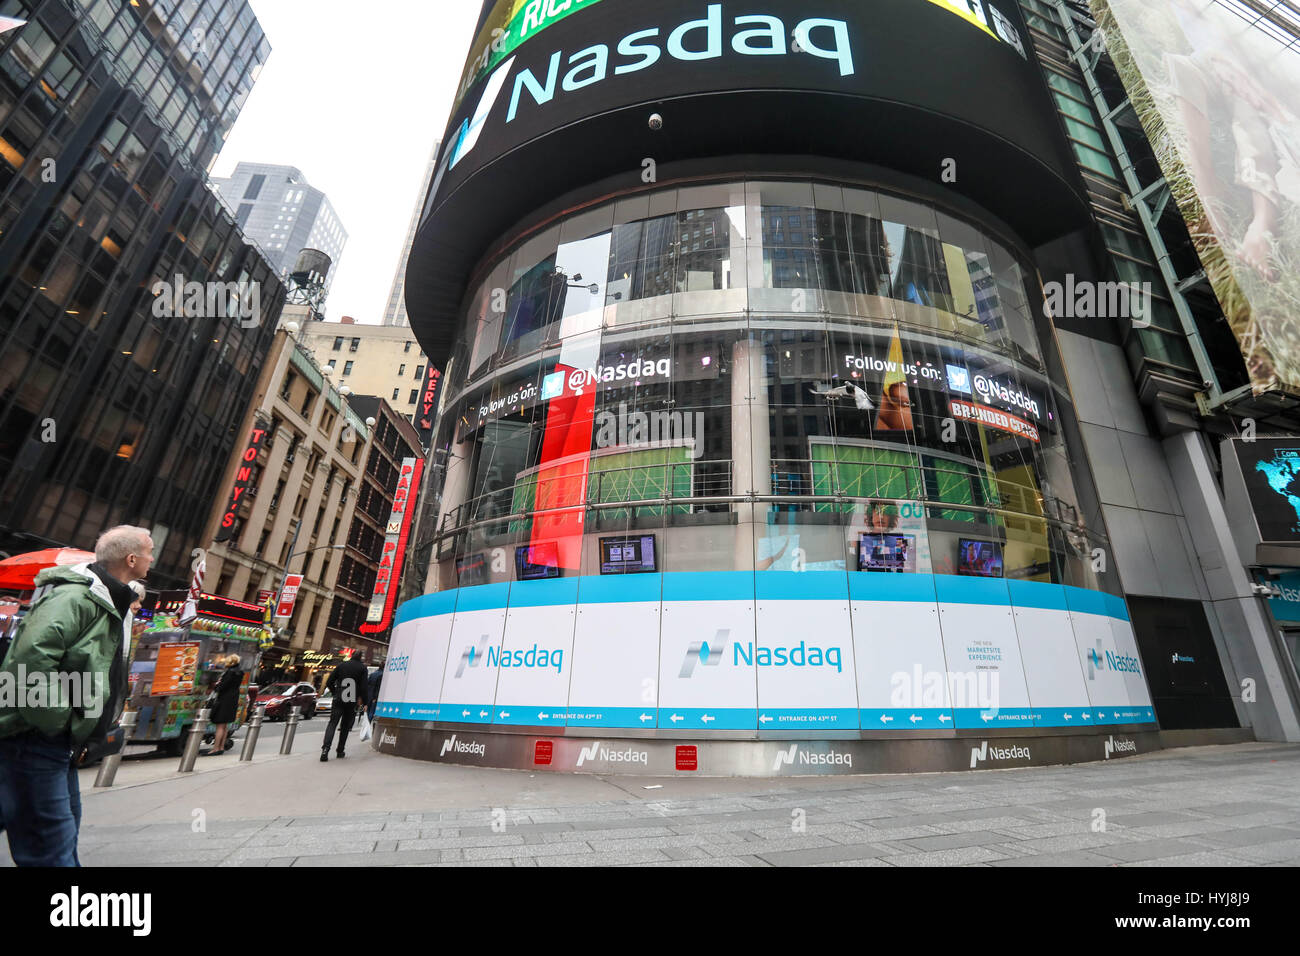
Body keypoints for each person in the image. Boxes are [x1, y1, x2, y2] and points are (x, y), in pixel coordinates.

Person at [0, 525, 153, 866]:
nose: (152, 559)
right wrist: (61, 721)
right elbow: (29, 664)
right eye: (149, 552)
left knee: (59, 839)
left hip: (57, 745)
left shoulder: (111, 601)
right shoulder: (77, 598)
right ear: (131, 559)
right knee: (51, 851)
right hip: (37, 740)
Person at [320, 651, 368, 762]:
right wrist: (364, 702)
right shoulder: (362, 668)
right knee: (345, 726)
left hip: (339, 696)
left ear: (351, 656)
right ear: (361, 657)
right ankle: (340, 750)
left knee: (332, 723)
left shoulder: (341, 665)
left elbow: (329, 681)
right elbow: (364, 687)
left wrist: (335, 692)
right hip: (351, 697)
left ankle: (325, 750)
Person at [207, 654, 242, 756]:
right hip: (232, 700)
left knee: (220, 726)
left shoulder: (230, 673)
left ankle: (216, 748)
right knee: (225, 726)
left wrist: (216, 685)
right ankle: (221, 747)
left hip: (224, 700)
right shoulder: (239, 672)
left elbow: (222, 687)